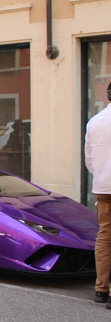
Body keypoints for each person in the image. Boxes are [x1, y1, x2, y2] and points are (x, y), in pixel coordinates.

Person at [85, 81, 111, 309]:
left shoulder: (95, 121)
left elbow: (89, 161)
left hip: (103, 186)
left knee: (104, 236)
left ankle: (101, 289)